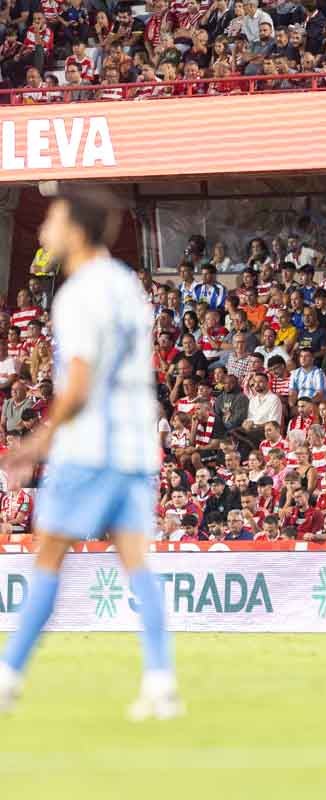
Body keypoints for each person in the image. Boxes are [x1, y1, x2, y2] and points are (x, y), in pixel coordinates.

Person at [0, 187, 181, 719]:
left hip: (88, 448)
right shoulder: (129, 286)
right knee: (136, 562)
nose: (42, 231)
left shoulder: (78, 294)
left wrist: (32, 445)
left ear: (75, 230)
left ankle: (9, 674)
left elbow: (78, 385)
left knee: (49, 558)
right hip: (133, 446)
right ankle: (160, 678)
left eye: (51, 220)